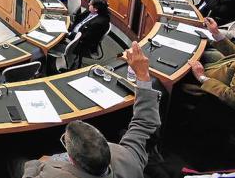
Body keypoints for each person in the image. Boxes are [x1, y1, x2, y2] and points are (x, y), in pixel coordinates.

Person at [21, 42, 161, 178]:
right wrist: (143, 75)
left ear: (71, 159)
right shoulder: (129, 160)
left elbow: (30, 171)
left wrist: (38, 165)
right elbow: (144, 123)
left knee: (14, 159)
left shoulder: (53, 174)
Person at [185, 16, 235, 110]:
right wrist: (215, 32)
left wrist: (202, 77)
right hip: (215, 71)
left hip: (208, 90)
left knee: (178, 80)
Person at [64, 0, 110, 69]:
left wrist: (68, 35)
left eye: (90, 4)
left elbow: (85, 38)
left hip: (81, 42)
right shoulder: (91, 11)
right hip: (74, 31)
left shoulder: (98, 23)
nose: (88, 4)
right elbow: (79, 21)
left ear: (95, 9)